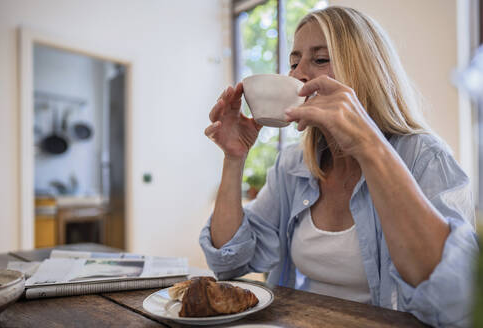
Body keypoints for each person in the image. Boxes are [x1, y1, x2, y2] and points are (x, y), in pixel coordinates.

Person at [200, 6, 479, 327]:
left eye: (320, 60)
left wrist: (368, 144)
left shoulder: (425, 156)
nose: (297, 74)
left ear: (365, 69)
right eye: (294, 63)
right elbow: (230, 261)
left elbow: (457, 302)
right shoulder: (294, 164)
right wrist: (234, 158)